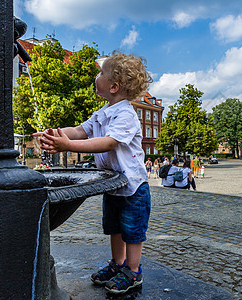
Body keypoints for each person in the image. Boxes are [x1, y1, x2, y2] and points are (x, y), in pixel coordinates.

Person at [33, 51, 152, 294]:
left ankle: (133, 270)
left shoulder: (126, 114)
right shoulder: (101, 113)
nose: (96, 76)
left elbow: (108, 142)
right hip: (113, 185)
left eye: (100, 73)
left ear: (114, 86)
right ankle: (118, 264)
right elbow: (79, 130)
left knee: (133, 230)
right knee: (114, 227)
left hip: (133, 186)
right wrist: (56, 134)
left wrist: (68, 146)